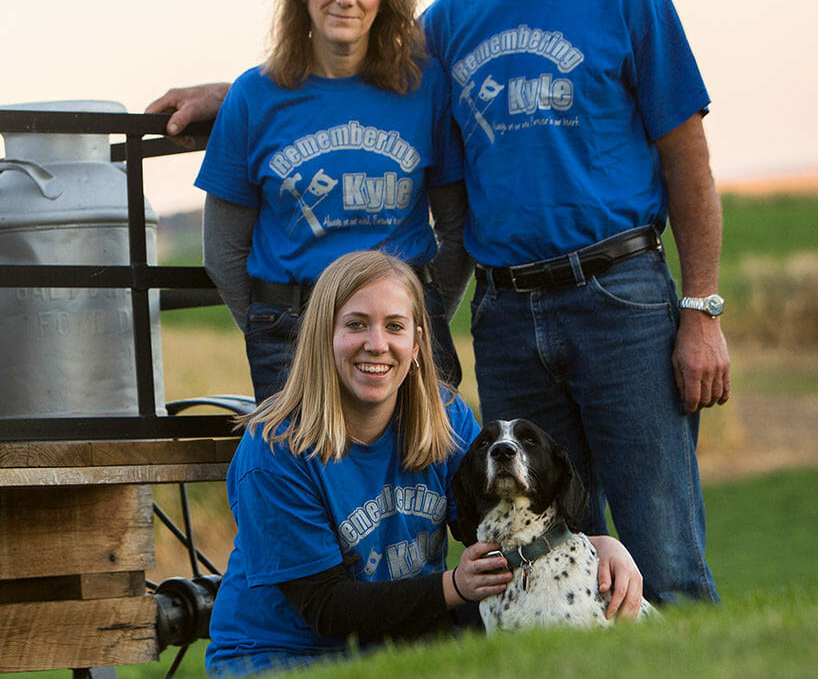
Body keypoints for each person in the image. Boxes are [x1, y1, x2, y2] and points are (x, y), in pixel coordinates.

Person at [148, 0, 730, 604]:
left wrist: (701, 308)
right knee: (539, 551)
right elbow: (342, 57)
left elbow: (688, 160)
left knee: (661, 551)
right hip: (508, 316)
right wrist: (239, 93)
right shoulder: (450, 22)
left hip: (618, 296)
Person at [205, 250, 646, 675]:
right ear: (324, 336)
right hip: (286, 655)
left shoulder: (445, 419)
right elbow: (326, 607)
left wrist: (591, 543)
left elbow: (497, 513)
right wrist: (454, 587)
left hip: (405, 644)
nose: (377, 345)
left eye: (394, 326)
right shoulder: (277, 450)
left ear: (416, 343)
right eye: (356, 324)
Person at [189, 0, 470, 402]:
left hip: (404, 336)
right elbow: (223, 250)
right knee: (303, 478)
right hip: (291, 333)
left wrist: (420, 314)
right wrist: (269, 327)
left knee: (419, 477)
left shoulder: (425, 88)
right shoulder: (254, 96)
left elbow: (457, 230)